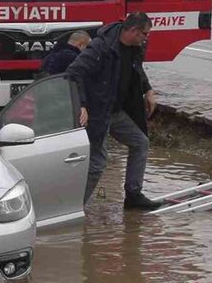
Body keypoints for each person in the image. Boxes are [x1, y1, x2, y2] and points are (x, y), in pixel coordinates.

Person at [65, 12, 160, 210]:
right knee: (97, 162)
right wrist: (81, 104)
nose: (146, 38)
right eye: (144, 33)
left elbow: (137, 70)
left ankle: (133, 195)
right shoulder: (102, 47)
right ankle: (74, 207)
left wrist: (148, 90)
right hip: (97, 112)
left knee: (140, 142)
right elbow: (74, 72)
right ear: (133, 31)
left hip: (116, 112)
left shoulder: (136, 47)